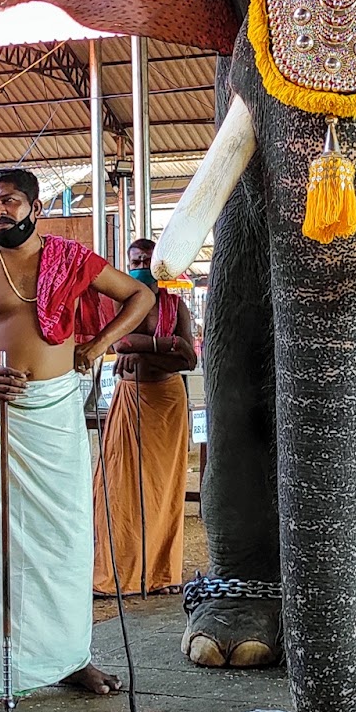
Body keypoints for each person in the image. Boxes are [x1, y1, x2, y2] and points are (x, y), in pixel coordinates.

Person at [0, 167, 154, 712]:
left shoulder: (72, 259)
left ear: (34, 207)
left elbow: (138, 299)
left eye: (7, 201)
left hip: (56, 412)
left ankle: (68, 656)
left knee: (66, 539)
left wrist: (98, 343)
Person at [92, 239, 198, 596]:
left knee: (164, 488)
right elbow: (120, 344)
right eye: (135, 259)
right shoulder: (119, 301)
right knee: (120, 488)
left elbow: (189, 359)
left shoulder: (175, 304)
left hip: (167, 401)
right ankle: (120, 574)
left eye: (146, 260)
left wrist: (147, 350)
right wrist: (166, 347)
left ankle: (162, 574)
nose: (140, 264)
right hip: (133, 399)